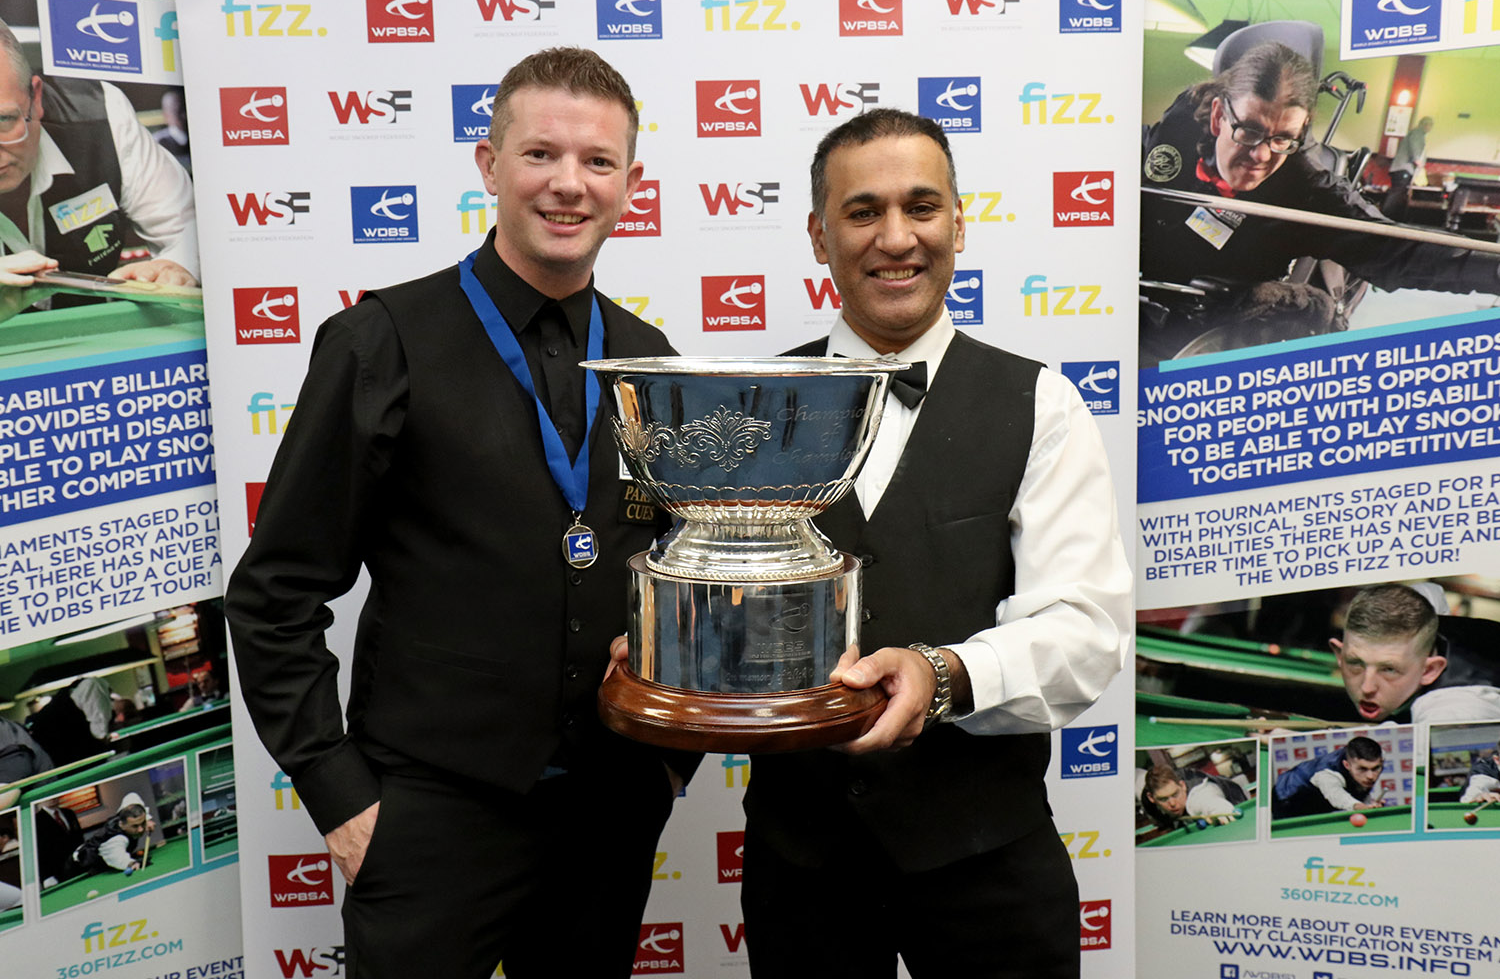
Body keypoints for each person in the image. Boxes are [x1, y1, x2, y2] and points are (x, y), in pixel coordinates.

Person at [226, 47, 697, 979]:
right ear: (489, 165)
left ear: (631, 185)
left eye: (598, 162)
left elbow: (676, 578)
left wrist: (667, 769)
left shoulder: (651, 359)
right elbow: (275, 593)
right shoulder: (381, 340)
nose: (569, 184)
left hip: (607, 817)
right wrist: (342, 797)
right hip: (426, 822)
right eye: (540, 155)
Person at [737, 109, 1132, 978]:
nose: (896, 238)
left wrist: (941, 674)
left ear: (960, 220)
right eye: (862, 211)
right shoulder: (747, 408)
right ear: (818, 234)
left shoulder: (1042, 405)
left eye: (922, 206)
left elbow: (1083, 630)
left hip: (989, 859)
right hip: (800, 867)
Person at [1140, 43, 1500, 360]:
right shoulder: (1179, 126)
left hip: (1216, 321)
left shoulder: (1305, 187)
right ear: (1219, 115)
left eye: (1282, 138)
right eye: (1249, 131)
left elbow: (1398, 251)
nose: (1261, 155)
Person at [0, 19, 198, 295]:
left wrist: (176, 266)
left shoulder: (100, 114)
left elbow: (189, 229)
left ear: (35, 98)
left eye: (3, 120)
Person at [1330, 583, 1500, 725]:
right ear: (1339, 654)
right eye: (1355, 663)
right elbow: (1430, 590)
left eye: (1389, 669)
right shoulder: (1421, 611)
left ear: (1429, 670)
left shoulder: (1450, 713)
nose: (1367, 688)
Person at [1272, 736, 1384, 818]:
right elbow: (1337, 796)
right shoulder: (1326, 774)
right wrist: (1361, 807)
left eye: (1375, 768)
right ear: (1346, 765)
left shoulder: (1377, 758)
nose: (1371, 776)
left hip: (1317, 798)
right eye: (1362, 769)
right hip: (1287, 797)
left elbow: (1358, 789)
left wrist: (1368, 804)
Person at [67, 791, 156, 876]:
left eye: (142, 823)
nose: (141, 829)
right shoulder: (116, 839)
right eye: (135, 826)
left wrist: (147, 819)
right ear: (122, 824)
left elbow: (132, 796)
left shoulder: (124, 814)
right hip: (78, 868)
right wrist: (131, 863)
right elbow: (118, 857)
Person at [1140, 763, 1248, 831]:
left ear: (1182, 786)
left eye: (1175, 794)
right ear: (1151, 798)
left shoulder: (1199, 793)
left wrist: (1220, 810)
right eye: (1163, 799)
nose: (1172, 803)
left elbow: (1210, 801)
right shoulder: (1148, 804)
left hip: (1236, 796)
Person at [1381, 115, 1431, 220]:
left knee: (1398, 193)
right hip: (1403, 169)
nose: (1430, 127)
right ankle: (1384, 216)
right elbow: (1415, 149)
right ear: (1423, 124)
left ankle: (1390, 217)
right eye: (1429, 124)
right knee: (1396, 193)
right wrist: (1418, 161)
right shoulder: (1418, 133)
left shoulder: (1415, 133)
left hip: (1401, 168)